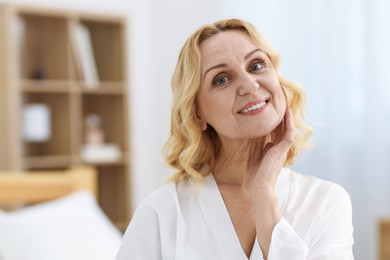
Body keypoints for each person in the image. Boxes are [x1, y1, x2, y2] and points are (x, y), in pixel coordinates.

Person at [115, 18, 354, 260]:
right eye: (221, 79)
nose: (250, 85)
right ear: (197, 114)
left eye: (257, 65)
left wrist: (263, 195)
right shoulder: (162, 212)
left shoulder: (326, 202)